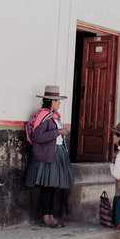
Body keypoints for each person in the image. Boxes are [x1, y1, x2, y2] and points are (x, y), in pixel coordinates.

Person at [25, 85, 74, 228]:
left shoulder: (54, 117)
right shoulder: (43, 116)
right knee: (47, 188)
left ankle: (51, 215)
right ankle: (45, 217)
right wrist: (58, 132)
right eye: (57, 101)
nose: (59, 103)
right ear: (52, 101)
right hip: (47, 156)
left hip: (56, 154)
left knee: (53, 187)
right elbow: (38, 136)